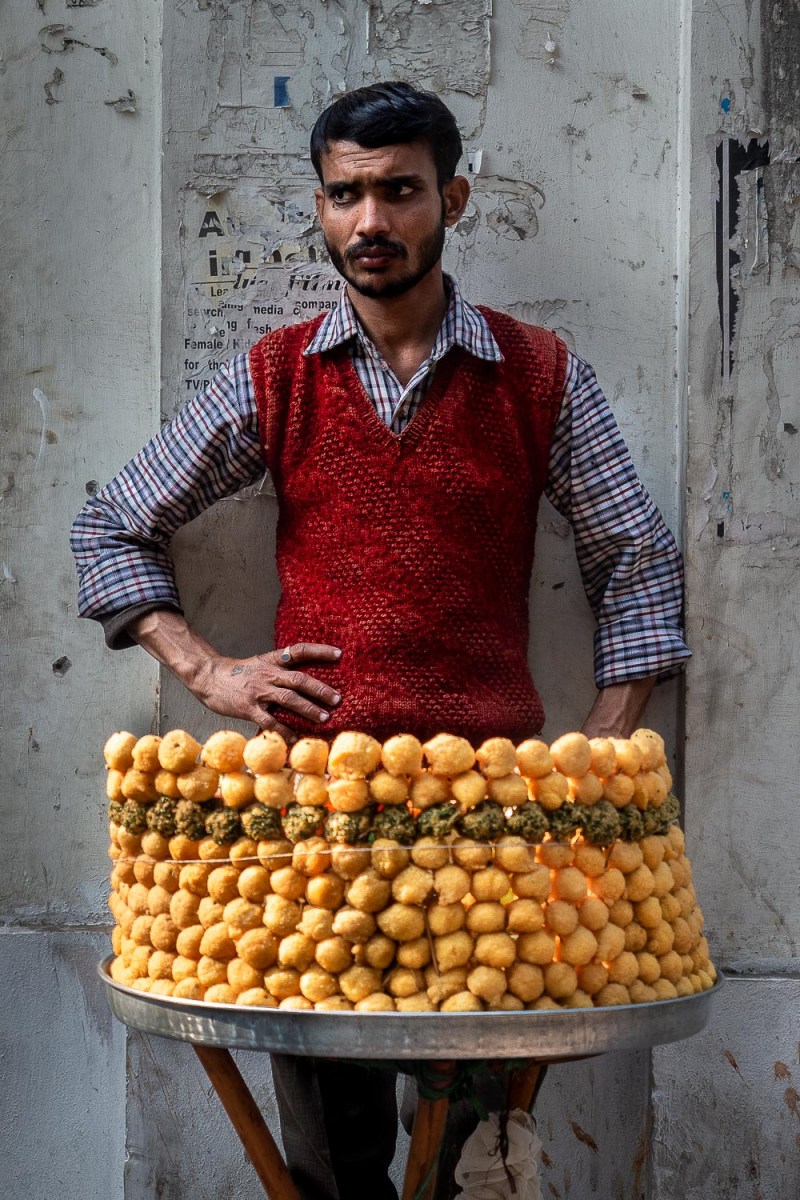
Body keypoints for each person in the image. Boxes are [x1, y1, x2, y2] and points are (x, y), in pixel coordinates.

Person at [72, 81, 690, 1200]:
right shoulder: (275, 377)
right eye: (346, 195)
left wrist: (599, 751)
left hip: (492, 827)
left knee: (468, 1157)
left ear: (449, 198)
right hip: (315, 827)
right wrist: (206, 668)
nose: (371, 222)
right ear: (319, 207)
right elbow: (110, 524)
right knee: (327, 1155)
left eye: (398, 192)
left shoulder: (535, 374)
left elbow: (636, 562)